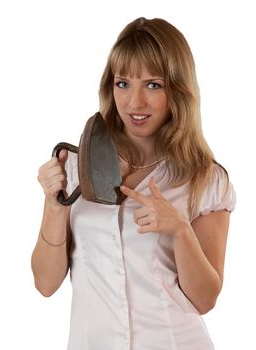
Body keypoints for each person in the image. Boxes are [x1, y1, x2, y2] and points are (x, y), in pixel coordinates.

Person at [31, 17, 236, 350]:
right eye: (123, 83)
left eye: (153, 85)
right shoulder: (76, 166)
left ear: (178, 89)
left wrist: (180, 229)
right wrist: (54, 207)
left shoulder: (206, 179)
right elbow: (45, 283)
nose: (134, 102)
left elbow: (205, 300)